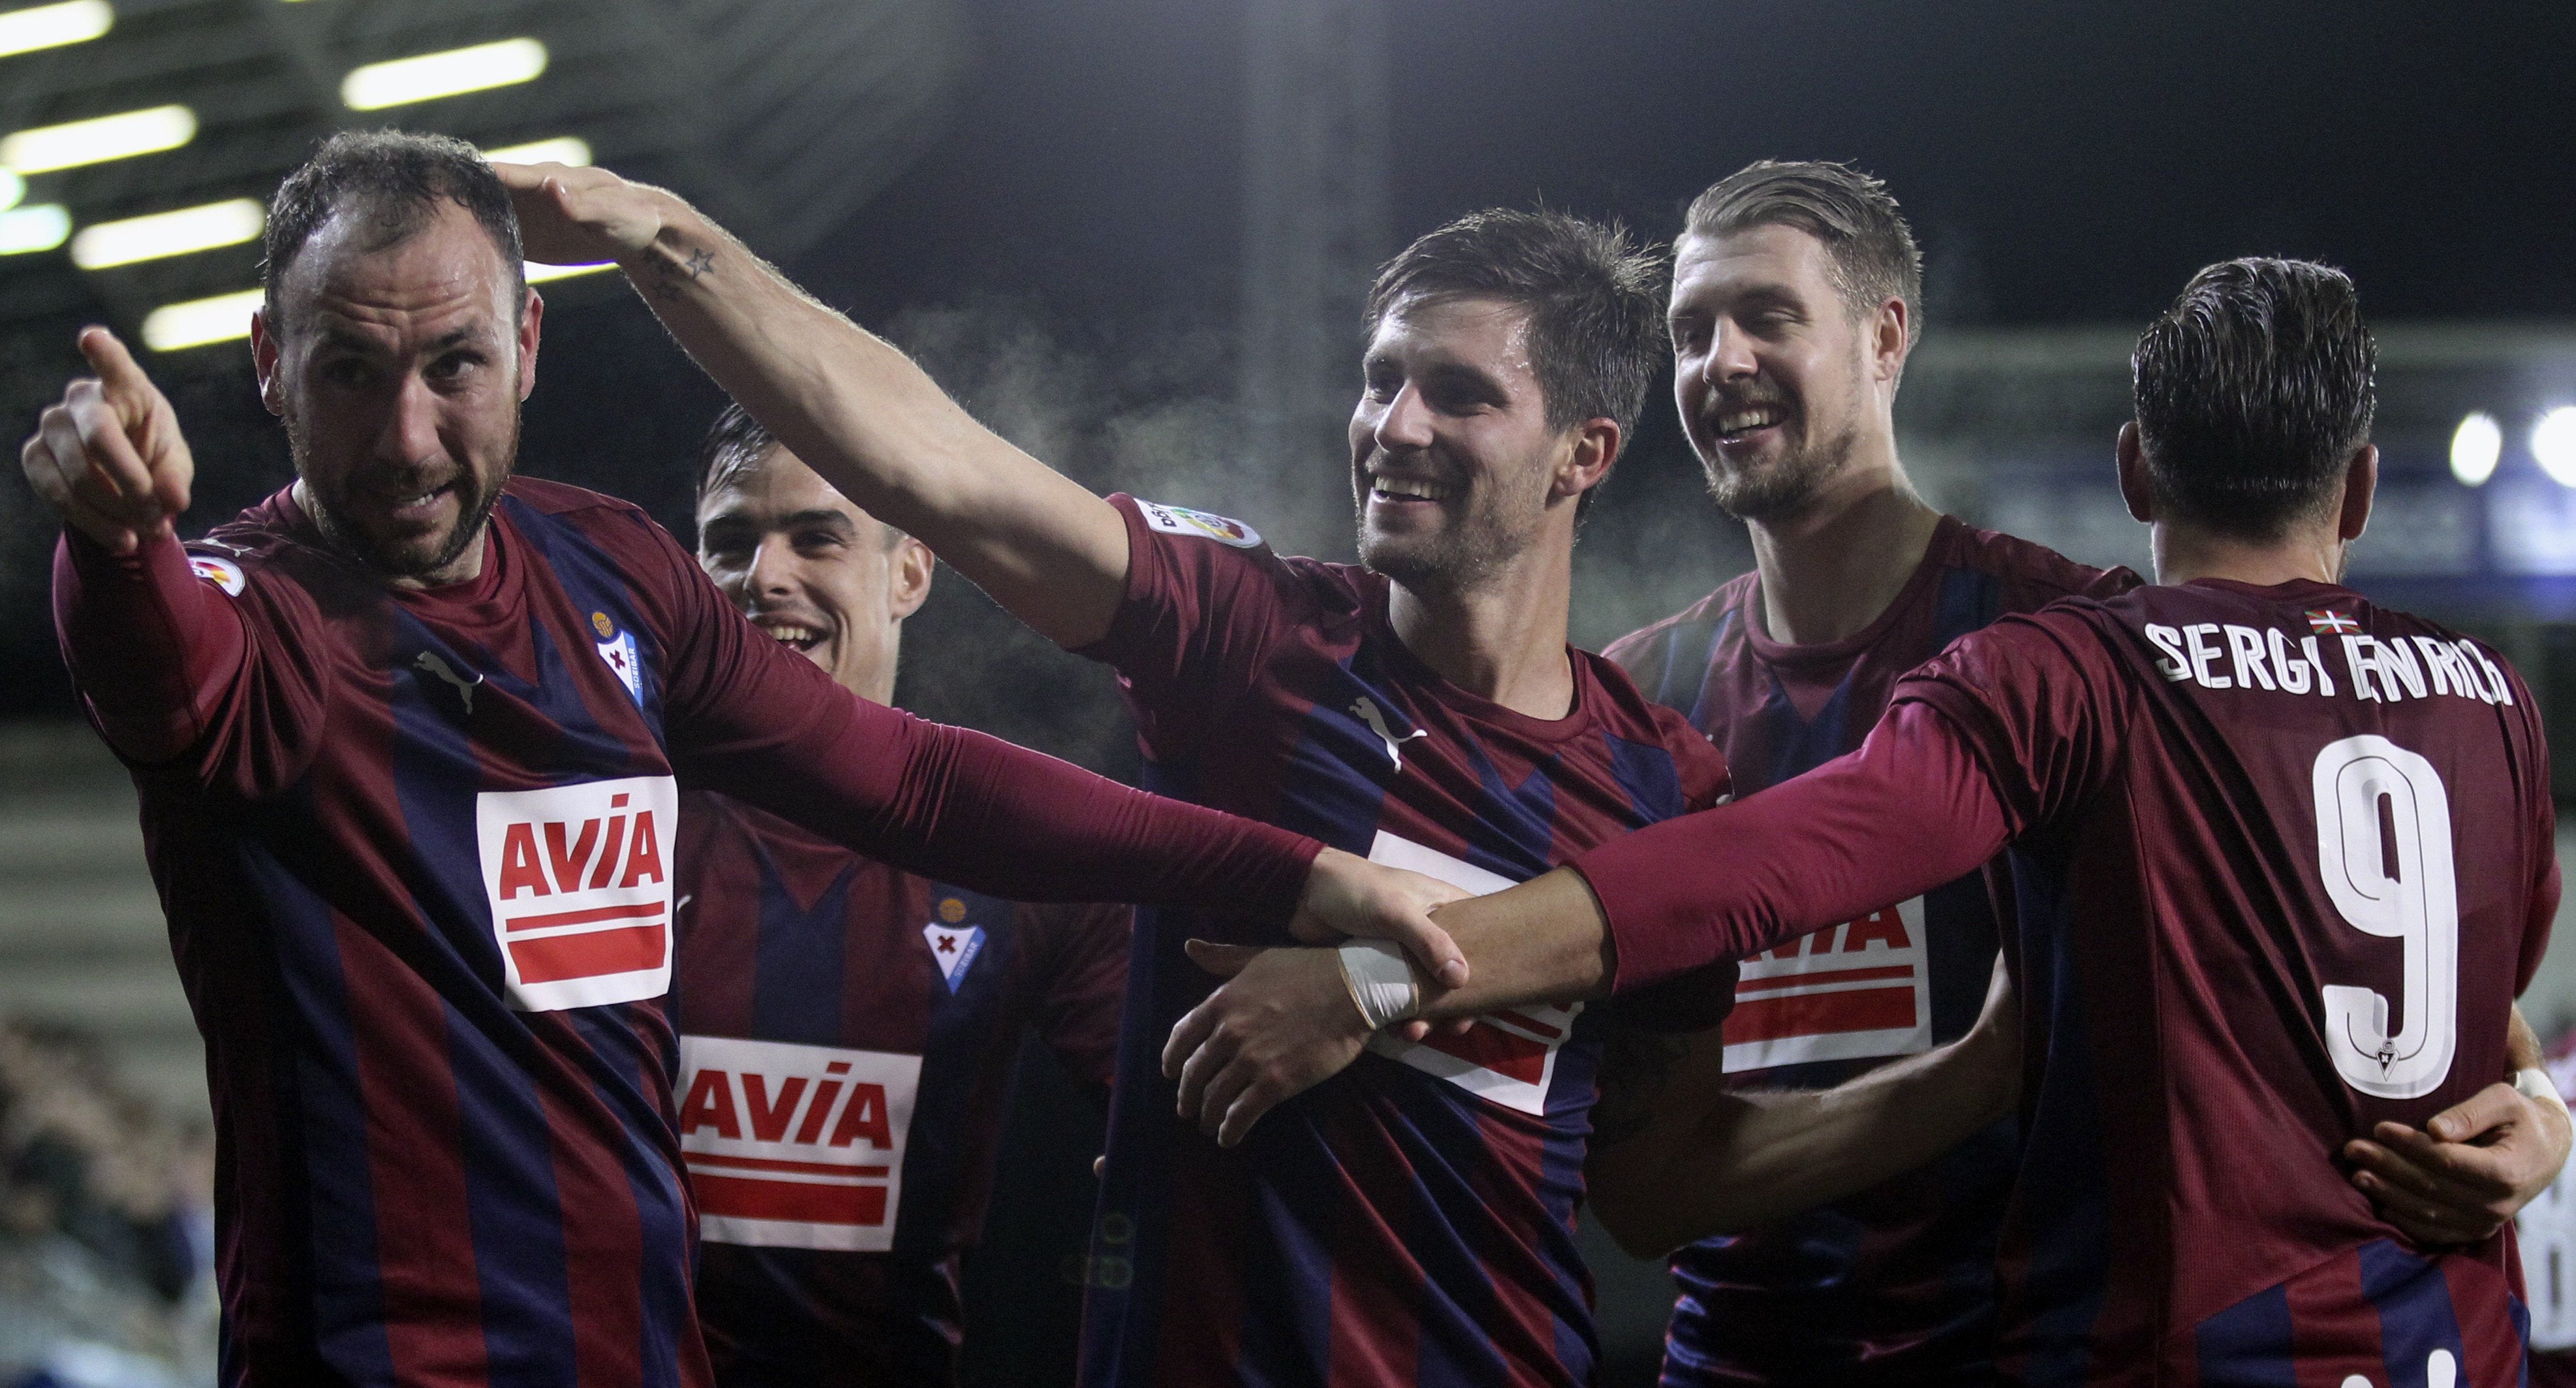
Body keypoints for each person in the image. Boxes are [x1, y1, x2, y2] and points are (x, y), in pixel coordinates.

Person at [17, 131, 1460, 1387]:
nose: (409, 436)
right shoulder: (248, 615)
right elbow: (158, 668)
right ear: (271, 364)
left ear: (526, 347)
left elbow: (923, 786)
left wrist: (1309, 875)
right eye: (350, 370)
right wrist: (112, 536)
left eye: (454, 365)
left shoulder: (611, 574)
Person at [1169, 257, 2573, 1383]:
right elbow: (2484, 1023)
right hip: (2449, 1343)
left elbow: (1770, 863)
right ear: (2365, 484)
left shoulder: (2075, 667)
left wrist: (1379, 962)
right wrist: (2545, 1120)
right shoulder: (2492, 701)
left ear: (2137, 471)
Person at [501, 156, 1731, 1385]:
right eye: (1380, 380)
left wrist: (1932, 1100)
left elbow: (1657, 1182)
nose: (1394, 426)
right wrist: (651, 228)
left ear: (1586, 452)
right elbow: (934, 466)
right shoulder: (1253, 638)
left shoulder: (1666, 790)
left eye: (1458, 395)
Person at [1591, 160, 2564, 1385]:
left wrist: (2541, 1111)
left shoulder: (2086, 646)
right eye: (1690, 330)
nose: (1719, 359)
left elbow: (2384, 972)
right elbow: (1645, 1186)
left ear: (1888, 335)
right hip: (1730, 1355)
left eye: (1767, 316)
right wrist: (1987, 1070)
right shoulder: (1638, 697)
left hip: (2008, 1348)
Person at [671, 404, 1132, 1385]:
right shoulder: (608, 831)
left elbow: (1194, 1105)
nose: (767, 576)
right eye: (731, 542)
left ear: (911, 573)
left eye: (817, 536)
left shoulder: (1005, 851)